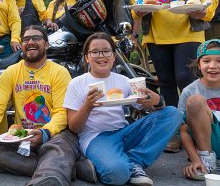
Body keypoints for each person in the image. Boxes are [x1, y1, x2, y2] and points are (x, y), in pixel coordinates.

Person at [133, 0, 218, 144]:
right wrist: (139, 12)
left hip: (188, 32)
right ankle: (174, 132)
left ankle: (197, 130)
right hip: (156, 35)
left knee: (186, 78)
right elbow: (139, 2)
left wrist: (204, 12)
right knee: (166, 83)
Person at [63, 32, 181, 186]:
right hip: (96, 138)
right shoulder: (77, 83)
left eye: (106, 51)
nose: (101, 56)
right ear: (86, 57)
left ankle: (134, 161)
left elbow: (150, 109)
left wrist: (157, 101)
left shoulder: (124, 81)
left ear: (113, 56)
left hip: (125, 132)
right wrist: (87, 106)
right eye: (95, 52)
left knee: (173, 113)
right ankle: (115, 164)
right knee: (117, 175)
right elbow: (73, 127)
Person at [0, 25, 81, 185]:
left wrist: (45, 133)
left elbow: (62, 111)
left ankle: (49, 176)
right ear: (21, 45)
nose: (31, 42)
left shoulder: (59, 72)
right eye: (26, 39)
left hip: (54, 133)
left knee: (59, 146)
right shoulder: (11, 72)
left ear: (47, 44)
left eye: (36, 38)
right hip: (22, 134)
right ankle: (66, 167)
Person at [178, 39, 220, 181]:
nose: (212, 66)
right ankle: (206, 161)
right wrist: (195, 159)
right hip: (206, 141)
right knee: (195, 101)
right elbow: (183, 131)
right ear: (199, 65)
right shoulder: (190, 90)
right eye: (206, 61)